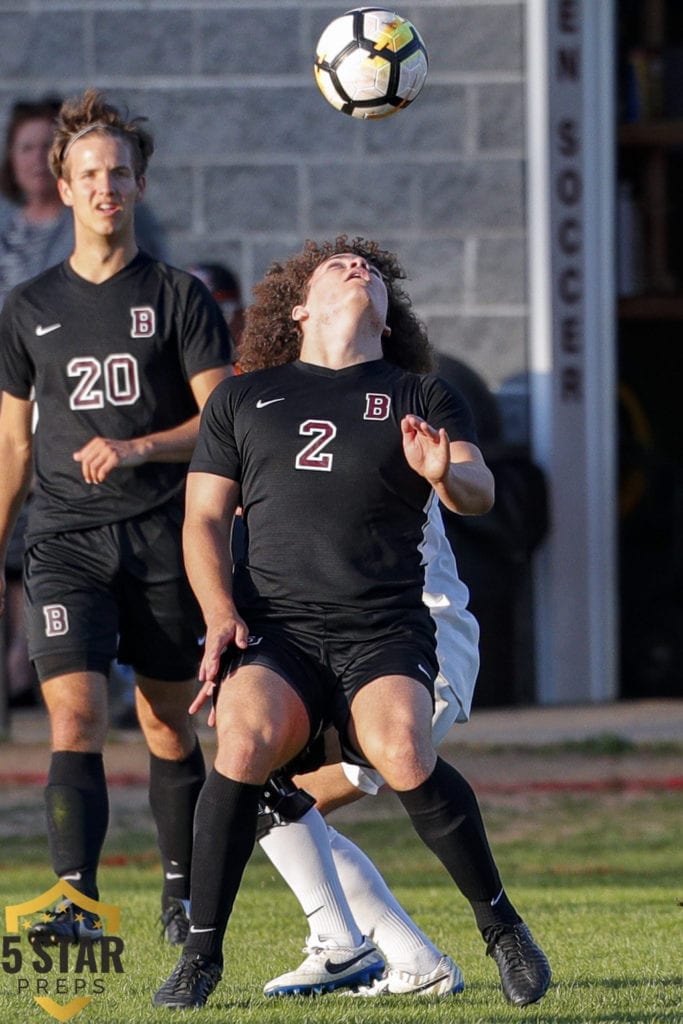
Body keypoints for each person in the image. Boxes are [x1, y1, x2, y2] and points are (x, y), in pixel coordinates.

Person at [153, 235, 551, 1009]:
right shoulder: (243, 397)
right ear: (297, 308)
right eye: (335, 266)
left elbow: (479, 489)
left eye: (368, 266)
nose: (356, 268)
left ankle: (501, 929)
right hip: (279, 631)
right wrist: (219, 614)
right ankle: (205, 956)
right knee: (243, 749)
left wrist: (447, 474)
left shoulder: (420, 395)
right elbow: (201, 519)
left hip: (385, 627)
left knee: (400, 750)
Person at [0, 87, 233, 945]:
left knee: (167, 721)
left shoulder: (178, 296)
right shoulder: (26, 309)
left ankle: (179, 889)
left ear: (138, 187)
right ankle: (77, 902)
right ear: (62, 187)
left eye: (120, 174)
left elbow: (222, 423)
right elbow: (14, 451)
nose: (106, 188)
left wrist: (137, 449)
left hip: (164, 536)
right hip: (63, 538)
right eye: (89, 174)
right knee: (74, 714)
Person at [0, 95, 167, 710]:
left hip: (105, 436)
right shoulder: (11, 246)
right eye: (24, 149)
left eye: (115, 173)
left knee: (165, 722)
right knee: (27, 528)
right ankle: (30, 661)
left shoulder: (140, 264)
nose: (34, 165)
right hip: (23, 397)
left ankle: (108, 677)